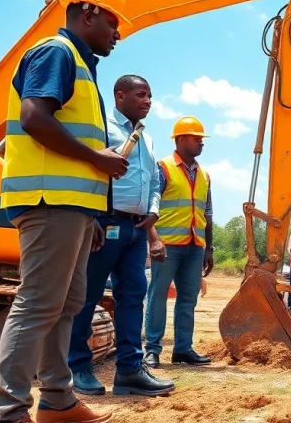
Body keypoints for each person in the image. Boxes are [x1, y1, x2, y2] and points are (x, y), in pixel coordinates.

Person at [0, 0, 130, 423]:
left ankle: (57, 400)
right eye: (113, 22)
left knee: (66, 304)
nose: (117, 33)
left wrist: (92, 215)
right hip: (48, 200)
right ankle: (10, 410)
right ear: (88, 12)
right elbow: (35, 118)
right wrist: (96, 157)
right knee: (38, 303)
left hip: (72, 207)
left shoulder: (81, 66)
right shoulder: (57, 53)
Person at [67, 75, 173, 397]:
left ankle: (129, 371)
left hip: (135, 229)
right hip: (105, 223)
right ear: (120, 95)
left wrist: (152, 211)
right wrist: (92, 216)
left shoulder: (147, 139)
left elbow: (153, 182)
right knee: (87, 296)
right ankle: (77, 367)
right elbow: (88, 171)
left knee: (132, 297)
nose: (148, 101)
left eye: (150, 95)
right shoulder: (102, 127)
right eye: (141, 94)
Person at [144, 116, 214, 367]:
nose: (201, 142)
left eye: (202, 139)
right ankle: (152, 349)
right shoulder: (163, 168)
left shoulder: (204, 175)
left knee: (188, 298)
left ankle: (183, 349)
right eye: (196, 138)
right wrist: (154, 241)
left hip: (195, 246)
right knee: (158, 295)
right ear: (181, 139)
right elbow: (149, 206)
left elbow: (208, 213)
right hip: (167, 246)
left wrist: (209, 248)